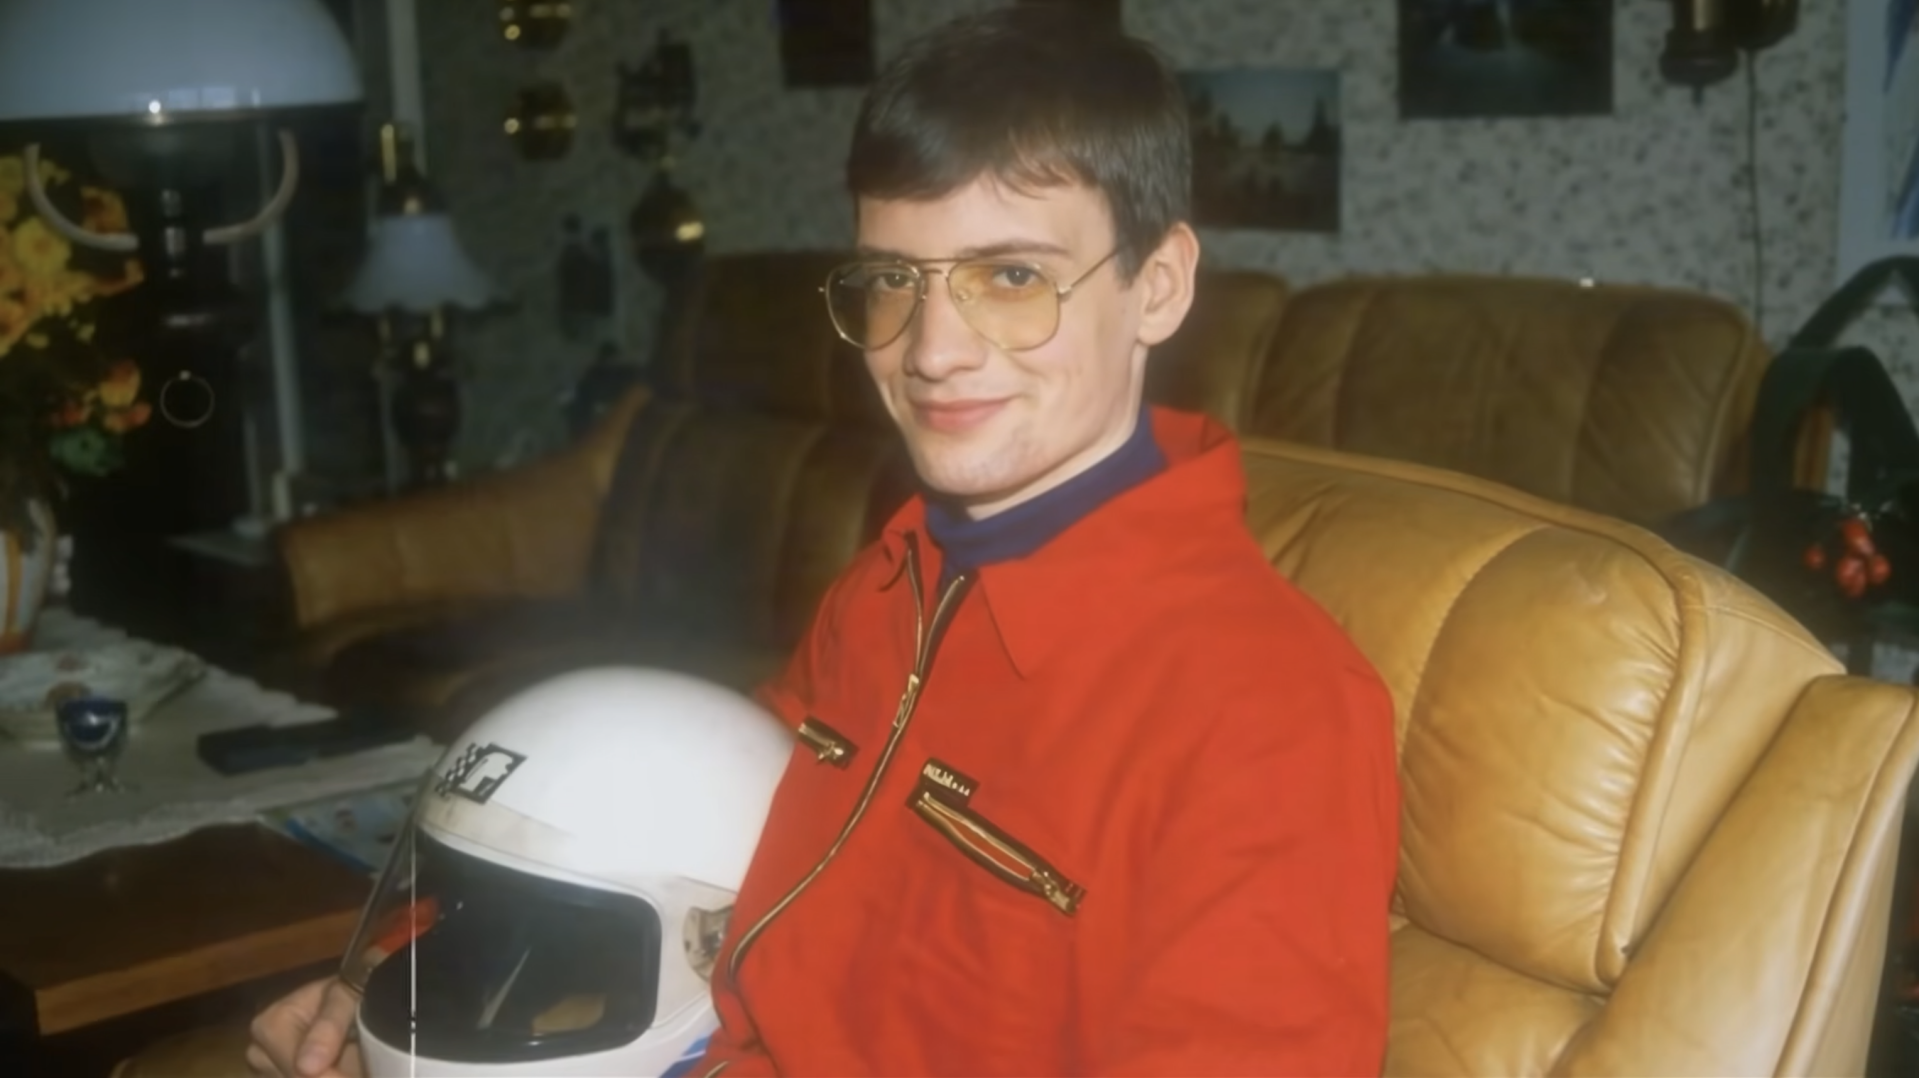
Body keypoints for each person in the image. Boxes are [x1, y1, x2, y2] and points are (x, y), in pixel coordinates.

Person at [246, 7, 1399, 1077]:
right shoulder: (897, 574)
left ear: (1158, 287)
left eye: (1011, 277)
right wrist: (409, 989)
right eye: (892, 281)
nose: (931, 349)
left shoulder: (1264, 713)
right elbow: (691, 831)